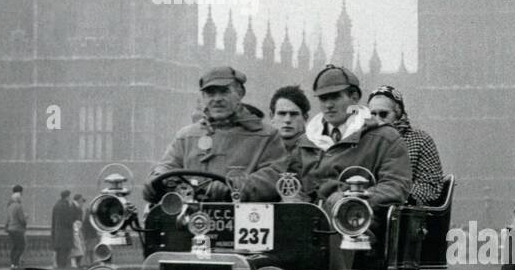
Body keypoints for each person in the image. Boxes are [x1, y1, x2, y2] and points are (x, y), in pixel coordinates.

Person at [243, 65, 412, 213]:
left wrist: (351, 198)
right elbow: (290, 179)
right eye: (323, 98)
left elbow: (396, 186)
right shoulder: (306, 141)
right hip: (307, 223)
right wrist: (292, 198)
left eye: (335, 97)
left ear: (354, 98)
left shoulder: (385, 138)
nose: (328, 104)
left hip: (357, 225)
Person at [146, 65, 284, 198]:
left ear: (240, 94)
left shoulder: (267, 136)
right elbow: (167, 167)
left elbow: (275, 175)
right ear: (203, 97)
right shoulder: (186, 136)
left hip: (246, 217)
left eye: (224, 91)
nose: (217, 99)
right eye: (210, 93)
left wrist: (235, 187)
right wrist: (155, 181)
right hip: (192, 216)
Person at [366, 84, 444, 205]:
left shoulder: (420, 141)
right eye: (373, 114)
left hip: (403, 213)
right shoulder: (361, 142)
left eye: (383, 114)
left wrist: (388, 194)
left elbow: (429, 187)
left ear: (398, 114)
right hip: (363, 210)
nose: (377, 120)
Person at [50, 190, 78, 270]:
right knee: (64, 253)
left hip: (58, 233)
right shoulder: (66, 206)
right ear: (67, 197)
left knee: (59, 252)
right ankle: (63, 269)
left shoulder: (56, 205)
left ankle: (59, 268)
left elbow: (53, 220)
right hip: (65, 234)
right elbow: (68, 221)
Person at [71, 193, 87, 266]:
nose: (82, 203)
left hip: (77, 231)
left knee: (78, 250)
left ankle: (76, 264)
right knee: (78, 250)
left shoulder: (78, 208)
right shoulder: (74, 208)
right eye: (81, 201)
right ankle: (76, 264)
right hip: (75, 231)